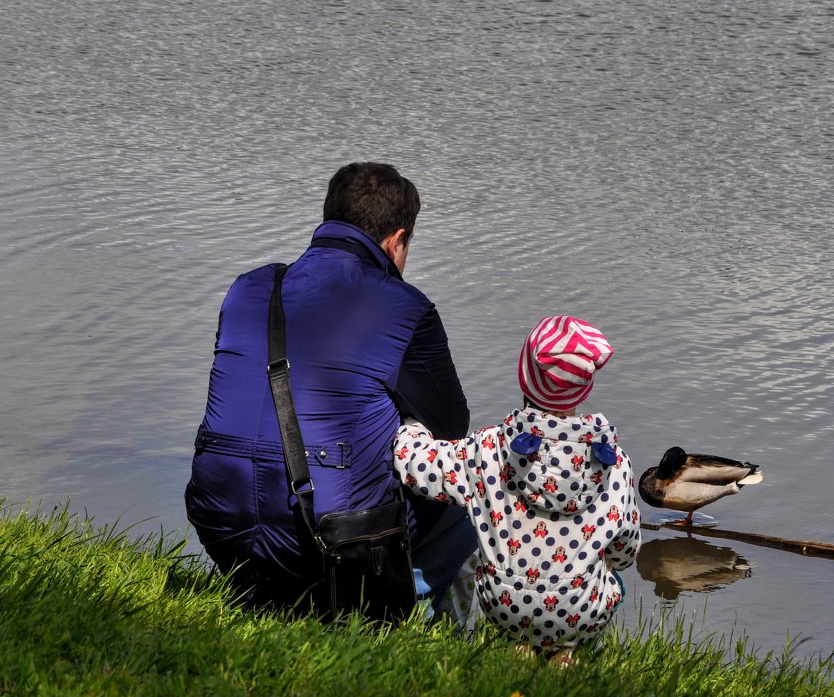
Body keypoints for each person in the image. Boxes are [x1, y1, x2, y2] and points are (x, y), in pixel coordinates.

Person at [185, 162, 476, 617]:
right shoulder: (406, 306)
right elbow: (451, 426)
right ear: (398, 240)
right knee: (468, 494)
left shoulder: (248, 287)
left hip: (219, 518)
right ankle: (402, 603)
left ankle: (270, 591)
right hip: (328, 533)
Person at [393, 316, 641, 658]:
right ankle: (566, 655)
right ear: (585, 387)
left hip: (505, 605)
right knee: (605, 581)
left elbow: (416, 466)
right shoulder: (615, 463)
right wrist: (606, 560)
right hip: (581, 610)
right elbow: (625, 552)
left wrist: (412, 426)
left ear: (524, 377)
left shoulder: (488, 449)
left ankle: (520, 650)